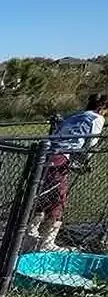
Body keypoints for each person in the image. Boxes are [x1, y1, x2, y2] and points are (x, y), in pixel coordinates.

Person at [29, 93, 107, 250]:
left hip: (46, 154)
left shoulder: (75, 115)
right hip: (61, 157)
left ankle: (31, 233)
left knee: (43, 193)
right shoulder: (97, 119)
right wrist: (83, 162)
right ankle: (47, 242)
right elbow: (90, 142)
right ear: (102, 108)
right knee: (58, 198)